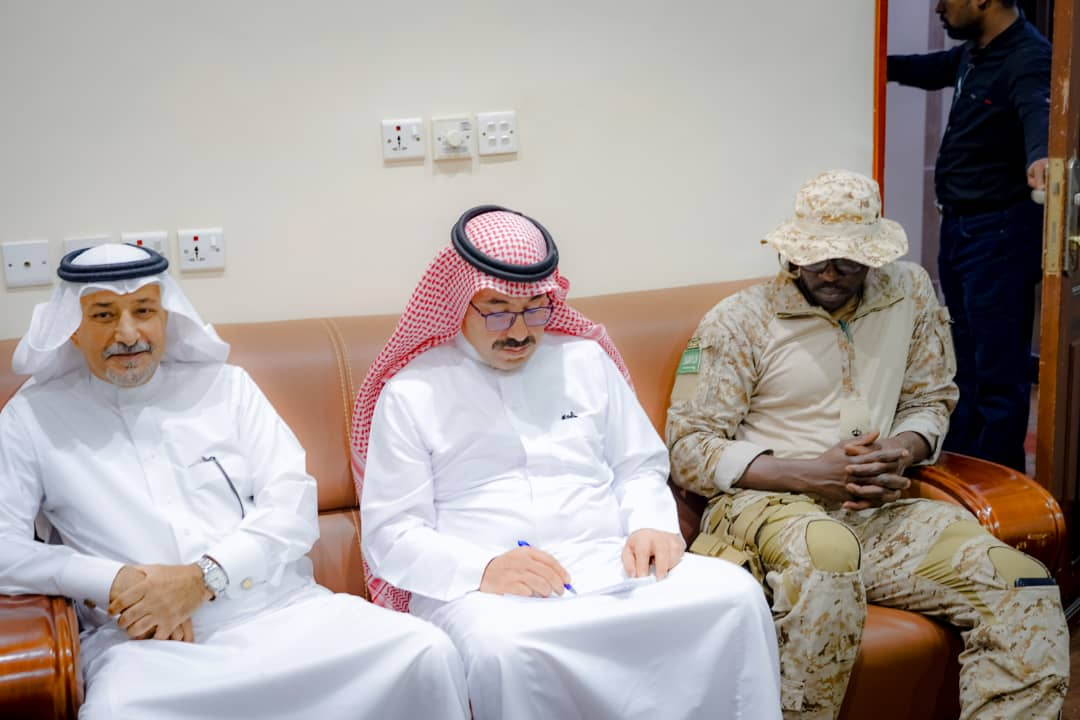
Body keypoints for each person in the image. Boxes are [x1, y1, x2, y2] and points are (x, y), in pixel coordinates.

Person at [0, 243, 469, 720]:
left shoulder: (226, 387)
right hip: (144, 645)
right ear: (72, 329)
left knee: (424, 650)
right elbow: (5, 547)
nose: (127, 333)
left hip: (277, 612)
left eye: (144, 310)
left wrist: (202, 579)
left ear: (166, 317)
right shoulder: (31, 418)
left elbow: (292, 505)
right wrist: (115, 581)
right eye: (103, 315)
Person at [666, 170, 1068, 720]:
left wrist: (903, 448)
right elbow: (688, 447)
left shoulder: (909, 293)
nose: (831, 273)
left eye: (850, 261)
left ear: (875, 256)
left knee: (1023, 583)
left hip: (878, 513)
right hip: (766, 506)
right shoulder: (741, 321)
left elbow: (932, 398)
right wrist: (810, 474)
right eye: (817, 259)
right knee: (829, 554)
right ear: (793, 251)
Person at [354, 205, 782, 720]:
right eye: (498, 311)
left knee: (736, 597)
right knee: (503, 651)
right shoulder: (412, 391)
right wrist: (482, 568)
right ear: (458, 302)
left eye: (535, 309)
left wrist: (650, 524)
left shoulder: (585, 360)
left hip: (611, 563)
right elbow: (393, 532)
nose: (519, 332)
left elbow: (638, 465)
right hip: (484, 590)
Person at [887, 0, 1051, 471]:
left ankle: (998, 480)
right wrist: (869, 62)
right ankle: (961, 469)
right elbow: (928, 67)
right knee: (963, 358)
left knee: (997, 365)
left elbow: (1038, 109)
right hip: (962, 229)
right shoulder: (975, 52)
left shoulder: (1027, 57)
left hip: (998, 233)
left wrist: (1041, 157)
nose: (940, 7)